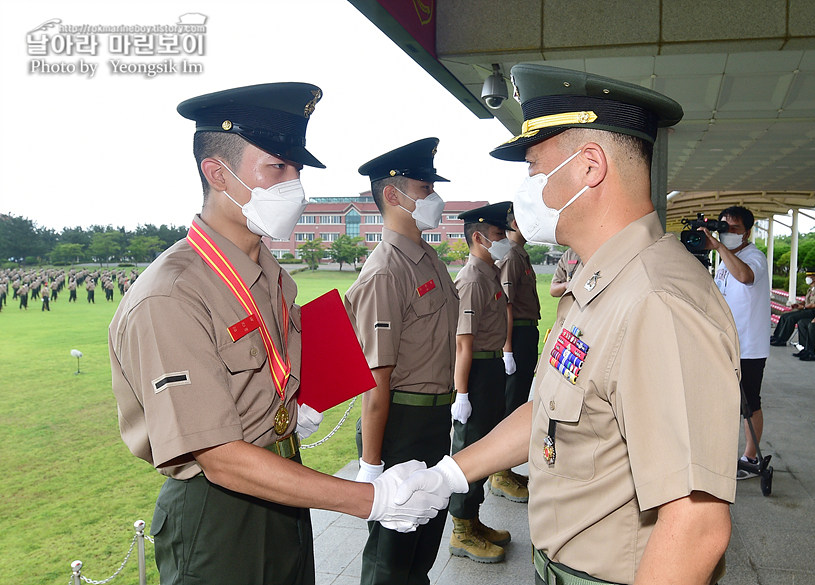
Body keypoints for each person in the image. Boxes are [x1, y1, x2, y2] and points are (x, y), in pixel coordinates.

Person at [396, 64, 740, 585]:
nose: (525, 188)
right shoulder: (601, 282)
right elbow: (547, 412)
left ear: (590, 167)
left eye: (534, 168)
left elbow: (695, 523)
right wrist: (447, 476)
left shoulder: (657, 301)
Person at [108, 83, 447, 585]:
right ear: (217, 173)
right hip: (220, 508)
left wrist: (292, 409)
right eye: (277, 169)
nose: (295, 185)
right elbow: (219, 457)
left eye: (298, 170)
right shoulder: (172, 295)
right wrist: (370, 497)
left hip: (284, 483)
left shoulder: (268, 272)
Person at [344, 138, 459, 585]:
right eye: (424, 187)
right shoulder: (385, 271)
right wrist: (372, 465)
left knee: (425, 533)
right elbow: (377, 379)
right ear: (393, 195)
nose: (434, 197)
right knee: (392, 553)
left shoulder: (427, 258)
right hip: (400, 423)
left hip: (432, 419)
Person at [449, 201, 515, 563]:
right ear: (478, 237)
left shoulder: (489, 272)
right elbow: (463, 341)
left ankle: (473, 520)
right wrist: (462, 393)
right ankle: (461, 531)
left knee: (486, 448)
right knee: (469, 452)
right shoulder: (473, 278)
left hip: (489, 370)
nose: (503, 239)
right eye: (497, 234)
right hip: (475, 374)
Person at [699, 206, 771, 481]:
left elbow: (745, 277)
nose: (728, 234)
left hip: (749, 345)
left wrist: (718, 246)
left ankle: (750, 457)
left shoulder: (755, 257)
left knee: (750, 402)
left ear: (748, 232)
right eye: (724, 228)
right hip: (724, 342)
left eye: (735, 229)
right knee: (723, 400)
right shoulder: (724, 260)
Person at [489, 204, 539, 503]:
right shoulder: (510, 255)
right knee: (510, 403)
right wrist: (507, 348)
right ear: (516, 223)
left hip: (525, 331)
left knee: (518, 398)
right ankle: (499, 471)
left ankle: (505, 468)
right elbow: (506, 303)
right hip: (516, 333)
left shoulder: (519, 253)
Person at [770, 269, 815, 346]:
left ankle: (782, 340)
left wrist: (803, 307)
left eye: (809, 276)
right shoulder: (811, 289)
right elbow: (806, 301)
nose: (807, 278)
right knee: (784, 316)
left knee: (791, 318)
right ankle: (776, 336)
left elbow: (814, 305)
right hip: (806, 310)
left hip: (813, 312)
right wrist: (798, 304)